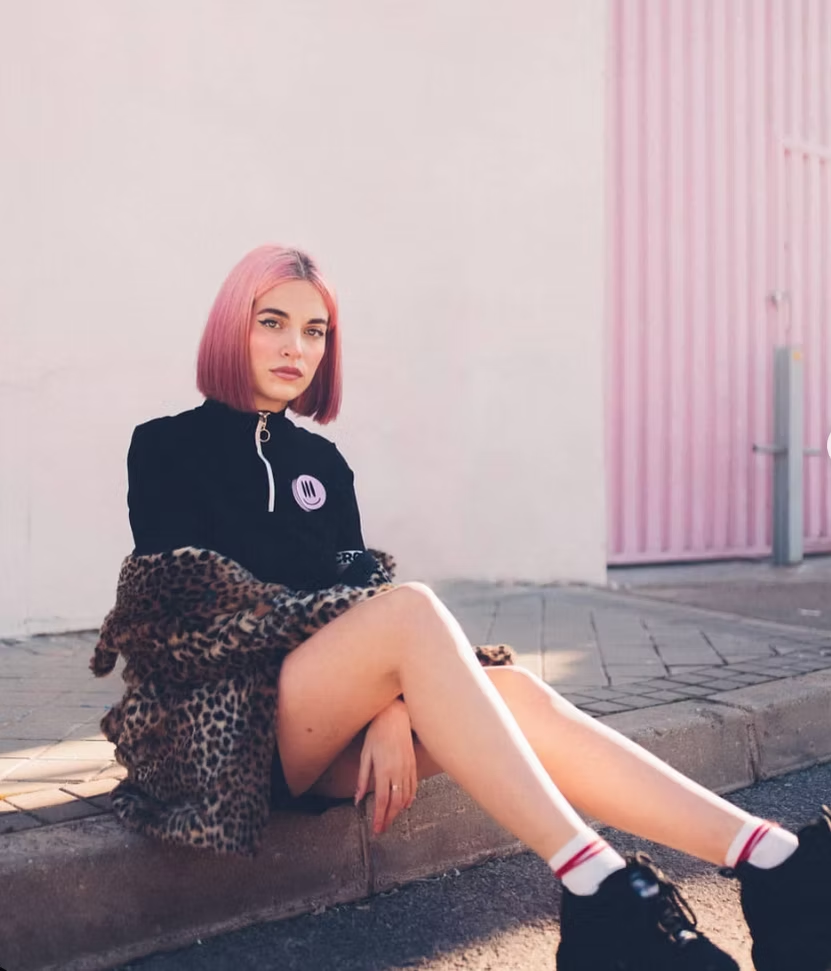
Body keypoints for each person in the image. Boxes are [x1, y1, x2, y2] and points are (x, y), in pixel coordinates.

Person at [125, 243, 830, 971]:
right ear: (230, 328)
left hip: (311, 735)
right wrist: (379, 686)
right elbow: (196, 616)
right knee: (410, 610)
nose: (294, 347)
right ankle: (599, 887)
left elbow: (353, 601)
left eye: (314, 331)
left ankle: (777, 865)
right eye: (272, 322)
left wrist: (385, 704)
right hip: (214, 735)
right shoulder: (165, 447)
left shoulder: (323, 466)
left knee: (512, 690)